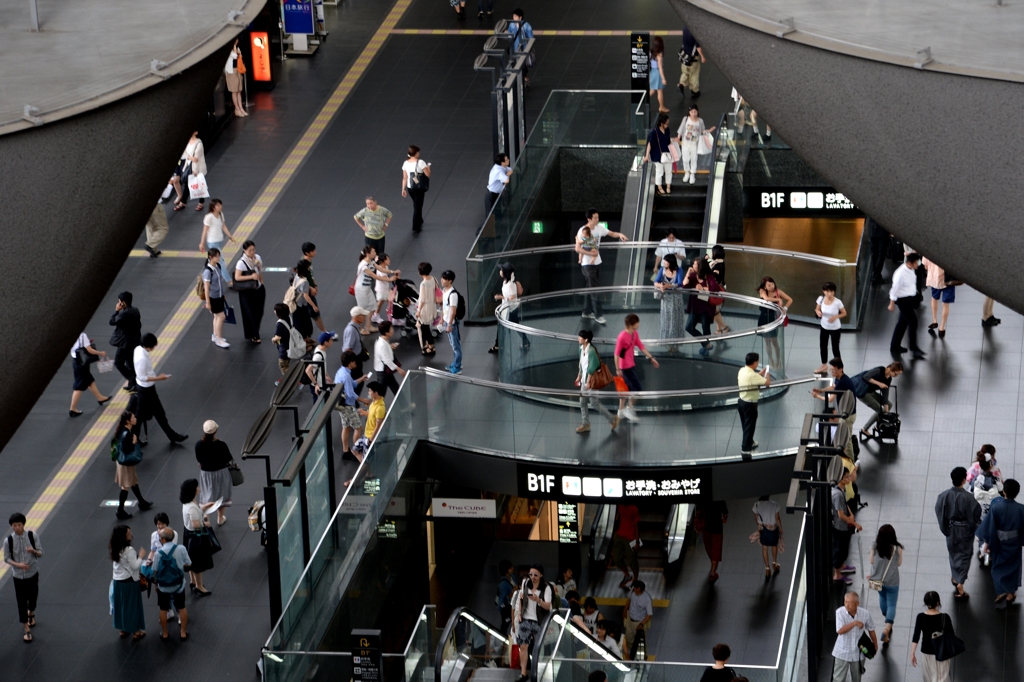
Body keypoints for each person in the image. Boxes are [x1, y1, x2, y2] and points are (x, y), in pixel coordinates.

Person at [934, 466, 981, 599]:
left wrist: (945, 528)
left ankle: (955, 576)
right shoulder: (969, 498)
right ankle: (960, 582)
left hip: (951, 528)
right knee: (965, 554)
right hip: (965, 530)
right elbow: (976, 515)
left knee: (953, 553)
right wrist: (973, 527)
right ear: (964, 480)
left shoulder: (943, 496)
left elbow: (939, 511)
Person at [575, 209, 629, 324]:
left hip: (597, 262)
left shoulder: (599, 228)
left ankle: (586, 311)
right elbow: (578, 248)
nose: (597, 219)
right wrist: (591, 254)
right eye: (595, 218)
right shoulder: (582, 231)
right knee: (595, 289)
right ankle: (598, 314)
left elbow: (611, 233)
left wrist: (620, 235)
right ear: (589, 219)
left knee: (590, 288)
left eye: (598, 217)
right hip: (587, 264)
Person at [133, 333, 188, 445]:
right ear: (148, 346)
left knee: (140, 416)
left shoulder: (138, 349)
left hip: (144, 388)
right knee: (158, 414)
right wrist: (160, 378)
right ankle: (172, 436)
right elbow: (142, 377)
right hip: (146, 390)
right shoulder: (142, 358)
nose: (154, 348)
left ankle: (134, 439)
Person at [977, 478, 1024, 607]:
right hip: (1014, 543)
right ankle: (1010, 594)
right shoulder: (1021, 509)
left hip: (999, 543)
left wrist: (986, 544)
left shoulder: (996, 508)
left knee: (998, 567)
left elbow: (990, 527)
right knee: (1014, 568)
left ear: (1004, 491)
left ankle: (1002, 590)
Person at [614, 314, 660, 421]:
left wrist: (651, 358)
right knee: (637, 389)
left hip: (631, 365)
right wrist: (618, 369)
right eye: (637, 322)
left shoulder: (634, 334)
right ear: (631, 324)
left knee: (627, 389)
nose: (639, 324)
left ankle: (621, 411)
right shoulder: (622, 337)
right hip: (625, 367)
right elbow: (616, 354)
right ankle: (629, 408)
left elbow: (641, 346)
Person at [4, 512, 42, 643]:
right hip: (18, 576)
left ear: (23, 524)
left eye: (19, 525)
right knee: (21, 601)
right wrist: (18, 565)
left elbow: (40, 553)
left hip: (32, 573)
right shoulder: (8, 541)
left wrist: (34, 551)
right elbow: (6, 558)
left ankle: (31, 612)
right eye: (14, 525)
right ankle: (26, 628)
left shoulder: (32, 536)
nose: (17, 528)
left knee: (33, 598)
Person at [514, 564, 554, 682]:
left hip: (539, 621)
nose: (533, 577)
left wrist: (538, 600)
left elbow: (549, 606)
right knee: (523, 646)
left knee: (539, 648)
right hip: (526, 619)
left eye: (535, 575)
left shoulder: (546, 588)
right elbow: (521, 598)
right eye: (531, 574)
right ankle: (523, 673)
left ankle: (538, 672)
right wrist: (519, 613)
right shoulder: (526, 583)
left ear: (541, 575)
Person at [575, 330, 620, 434]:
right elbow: (581, 364)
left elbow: (592, 367)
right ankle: (585, 424)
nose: (578, 338)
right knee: (582, 402)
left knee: (594, 403)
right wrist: (579, 376)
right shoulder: (581, 349)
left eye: (580, 337)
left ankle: (612, 418)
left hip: (592, 381)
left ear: (586, 339)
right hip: (584, 380)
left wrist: (588, 381)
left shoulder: (591, 351)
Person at [109, 525, 147, 640]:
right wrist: (141, 557)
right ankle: (136, 631)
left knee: (121, 606)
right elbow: (135, 566)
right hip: (129, 583)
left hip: (118, 582)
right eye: (128, 533)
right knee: (132, 607)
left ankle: (123, 629)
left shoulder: (114, 548)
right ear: (123, 536)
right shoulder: (129, 550)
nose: (131, 534)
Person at [113, 411, 153, 519]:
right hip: (126, 463)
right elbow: (127, 449)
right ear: (128, 421)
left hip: (122, 461)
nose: (135, 418)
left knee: (133, 481)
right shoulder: (127, 434)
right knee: (126, 486)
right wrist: (134, 443)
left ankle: (141, 501)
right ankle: (120, 510)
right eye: (133, 417)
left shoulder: (122, 431)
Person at [153, 527, 191, 640]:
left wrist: (156, 585)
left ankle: (165, 633)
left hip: (163, 587)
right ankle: (183, 632)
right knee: (182, 607)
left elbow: (155, 570)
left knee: (163, 609)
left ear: (163, 539)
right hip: (178, 585)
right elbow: (189, 563)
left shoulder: (158, 553)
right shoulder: (181, 548)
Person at [868, 524, 903, 644]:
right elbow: (899, 563)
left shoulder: (875, 546)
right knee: (892, 604)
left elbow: (871, 561)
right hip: (892, 581)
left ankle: (886, 616)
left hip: (878, 581)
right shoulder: (897, 548)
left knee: (882, 598)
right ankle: (887, 627)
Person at [180, 479, 215, 596]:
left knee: (190, 559)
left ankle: (193, 581)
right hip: (195, 537)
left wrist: (204, 507)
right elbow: (196, 525)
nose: (199, 488)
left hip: (188, 534)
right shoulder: (192, 507)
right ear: (193, 490)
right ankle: (199, 586)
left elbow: (196, 511)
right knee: (197, 562)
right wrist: (206, 522)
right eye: (197, 487)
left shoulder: (188, 503)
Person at [195, 420, 233, 526]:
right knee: (222, 495)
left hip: (206, 473)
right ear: (215, 431)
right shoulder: (221, 444)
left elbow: (198, 458)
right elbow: (228, 458)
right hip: (221, 473)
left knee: (207, 494)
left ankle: (206, 519)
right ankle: (220, 518)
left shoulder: (199, 444)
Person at [832, 592, 876, 682]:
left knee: (857, 679)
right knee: (838, 679)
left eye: (850, 603)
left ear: (857, 604)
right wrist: (854, 623)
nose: (847, 605)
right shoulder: (840, 612)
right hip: (842, 651)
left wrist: (875, 644)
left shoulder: (865, 614)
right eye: (845, 602)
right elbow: (840, 631)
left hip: (858, 652)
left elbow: (871, 629)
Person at [888, 252, 925, 359]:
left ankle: (894, 346)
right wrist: (891, 304)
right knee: (913, 322)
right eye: (916, 263)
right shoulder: (900, 274)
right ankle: (914, 349)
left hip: (909, 299)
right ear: (910, 263)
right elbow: (894, 290)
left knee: (902, 323)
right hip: (903, 301)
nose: (918, 264)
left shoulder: (911, 269)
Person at [682, 257, 721, 356]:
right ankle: (706, 344)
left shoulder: (708, 276)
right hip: (695, 306)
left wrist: (702, 288)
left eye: (695, 264)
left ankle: (706, 348)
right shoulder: (693, 275)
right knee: (689, 327)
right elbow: (684, 286)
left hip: (706, 307)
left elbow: (715, 289)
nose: (693, 266)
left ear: (700, 266)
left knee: (705, 327)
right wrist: (687, 274)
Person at [910, 592, 954, 681]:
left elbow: (916, 636)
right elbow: (951, 636)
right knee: (942, 679)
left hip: (927, 653)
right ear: (938, 602)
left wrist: (912, 653)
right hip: (942, 653)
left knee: (929, 678)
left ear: (926, 603)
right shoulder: (945, 617)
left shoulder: (920, 617)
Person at [853, 362, 902, 440]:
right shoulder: (879, 370)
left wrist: (887, 413)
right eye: (896, 374)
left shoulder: (888, 379)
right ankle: (864, 429)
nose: (896, 376)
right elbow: (866, 377)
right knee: (881, 411)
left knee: (889, 405)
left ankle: (878, 426)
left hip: (871, 392)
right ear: (891, 369)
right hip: (863, 392)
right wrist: (879, 384)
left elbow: (885, 397)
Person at [355, 246, 397, 334]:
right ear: (368, 254)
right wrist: (390, 279)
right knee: (362, 309)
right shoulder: (364, 265)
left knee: (372, 306)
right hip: (361, 289)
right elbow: (375, 276)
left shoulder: (372, 261)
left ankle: (368, 326)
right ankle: (360, 329)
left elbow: (380, 268)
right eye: (373, 252)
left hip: (367, 288)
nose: (375, 253)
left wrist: (392, 272)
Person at [336, 351, 370, 459]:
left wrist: (362, 378)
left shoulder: (341, 371)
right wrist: (363, 400)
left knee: (346, 427)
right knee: (358, 427)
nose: (356, 363)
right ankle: (356, 451)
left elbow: (352, 384)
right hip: (348, 405)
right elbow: (350, 393)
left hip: (341, 404)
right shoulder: (346, 375)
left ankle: (346, 451)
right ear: (350, 363)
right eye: (354, 361)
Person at [69, 332, 111, 417]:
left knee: (89, 380)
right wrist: (100, 353)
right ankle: (72, 409)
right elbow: (89, 350)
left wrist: (87, 342)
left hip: (76, 361)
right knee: (79, 386)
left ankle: (100, 398)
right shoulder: (82, 335)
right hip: (81, 363)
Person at [490, 262, 529, 353]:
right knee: (510, 326)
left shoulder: (510, 285)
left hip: (511, 309)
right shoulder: (507, 282)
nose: (500, 271)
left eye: (501, 270)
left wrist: (500, 297)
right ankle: (498, 345)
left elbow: (512, 298)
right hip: (509, 308)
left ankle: (500, 346)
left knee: (511, 326)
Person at [148, 513, 180, 624]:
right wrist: (149, 560)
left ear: (167, 523)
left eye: (162, 524)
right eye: (158, 524)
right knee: (161, 591)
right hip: (159, 568)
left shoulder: (173, 534)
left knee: (174, 591)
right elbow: (153, 551)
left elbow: (169, 550)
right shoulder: (154, 535)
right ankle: (169, 611)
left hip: (170, 567)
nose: (160, 526)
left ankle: (179, 613)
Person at [737, 352, 770, 456]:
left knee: (746, 425)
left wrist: (760, 373)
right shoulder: (752, 375)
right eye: (758, 361)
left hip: (741, 402)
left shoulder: (742, 370)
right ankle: (745, 449)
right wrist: (767, 374)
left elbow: (752, 378)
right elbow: (767, 383)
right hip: (750, 404)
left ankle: (750, 441)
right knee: (750, 426)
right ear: (755, 362)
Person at [831, 470, 861, 584]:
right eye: (847, 477)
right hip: (840, 527)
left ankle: (842, 566)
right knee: (840, 550)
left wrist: (851, 514)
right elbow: (840, 515)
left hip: (842, 526)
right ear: (841, 479)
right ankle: (837, 574)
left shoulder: (840, 490)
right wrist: (855, 524)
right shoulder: (837, 495)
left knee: (843, 549)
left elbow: (844, 505)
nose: (849, 478)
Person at [234, 240, 266, 344]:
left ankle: (254, 331)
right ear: (244, 250)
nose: (252, 252)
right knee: (250, 313)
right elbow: (237, 277)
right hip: (247, 292)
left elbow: (259, 271)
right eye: (250, 250)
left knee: (259, 312)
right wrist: (251, 277)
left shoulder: (257, 258)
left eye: (253, 250)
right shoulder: (241, 263)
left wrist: (262, 282)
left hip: (258, 288)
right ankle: (255, 335)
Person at [109, 291, 142, 392]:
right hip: (134, 340)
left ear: (123, 302)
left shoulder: (123, 314)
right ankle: (133, 385)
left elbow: (111, 321)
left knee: (118, 362)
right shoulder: (135, 310)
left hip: (125, 343)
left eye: (119, 301)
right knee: (130, 363)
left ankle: (132, 379)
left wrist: (116, 310)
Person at [756, 276, 792, 368]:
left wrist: (785, 308)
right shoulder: (762, 291)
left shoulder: (778, 292)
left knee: (774, 341)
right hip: (763, 318)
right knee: (767, 341)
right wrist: (778, 299)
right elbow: (766, 298)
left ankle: (778, 360)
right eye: (769, 285)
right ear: (764, 286)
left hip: (773, 318)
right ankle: (771, 360)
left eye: (772, 284)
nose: (772, 286)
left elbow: (790, 299)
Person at [199, 199, 235, 282]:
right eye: (218, 205)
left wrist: (230, 236)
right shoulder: (209, 217)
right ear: (213, 207)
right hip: (212, 242)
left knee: (214, 259)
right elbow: (205, 231)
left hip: (220, 241)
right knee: (221, 262)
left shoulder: (221, 214)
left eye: (220, 205)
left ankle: (206, 273)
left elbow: (223, 226)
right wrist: (202, 243)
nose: (220, 206)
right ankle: (229, 281)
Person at [677, 105, 715, 185]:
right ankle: (686, 172)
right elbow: (681, 129)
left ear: (697, 112)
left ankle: (692, 174)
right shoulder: (686, 119)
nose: (693, 114)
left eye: (695, 112)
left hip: (695, 144)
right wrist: (678, 138)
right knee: (685, 159)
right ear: (689, 112)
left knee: (694, 159)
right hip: (685, 143)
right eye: (692, 112)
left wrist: (709, 130)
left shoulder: (700, 121)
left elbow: (702, 131)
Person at [814, 282, 846, 373]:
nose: (829, 294)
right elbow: (817, 309)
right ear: (824, 291)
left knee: (835, 348)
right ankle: (824, 365)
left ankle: (839, 367)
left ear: (834, 292)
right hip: (824, 326)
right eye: (827, 291)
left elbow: (844, 313)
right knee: (823, 346)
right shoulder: (821, 299)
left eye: (831, 291)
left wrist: (835, 317)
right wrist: (818, 312)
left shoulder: (837, 302)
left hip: (835, 328)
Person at [202, 248, 231, 348]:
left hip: (219, 296)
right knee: (221, 317)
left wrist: (223, 294)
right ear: (210, 257)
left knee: (216, 316)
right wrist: (208, 303)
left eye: (219, 256)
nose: (218, 258)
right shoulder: (207, 271)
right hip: (213, 297)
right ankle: (219, 339)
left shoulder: (218, 266)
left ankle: (215, 335)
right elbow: (206, 288)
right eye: (216, 256)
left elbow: (219, 282)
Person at [171, 131, 206, 211]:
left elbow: (195, 159)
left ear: (196, 133)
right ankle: (184, 202)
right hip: (189, 166)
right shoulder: (188, 142)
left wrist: (187, 155)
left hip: (197, 167)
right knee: (189, 184)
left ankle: (198, 202)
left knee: (198, 184)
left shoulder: (198, 143)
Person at [654, 254, 685, 342]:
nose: (664, 263)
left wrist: (669, 285)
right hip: (666, 299)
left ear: (671, 262)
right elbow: (655, 281)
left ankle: (675, 342)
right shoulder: (662, 269)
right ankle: (667, 341)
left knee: (675, 320)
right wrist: (661, 286)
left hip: (676, 299)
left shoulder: (679, 270)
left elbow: (680, 283)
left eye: (666, 261)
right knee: (666, 319)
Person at [922, 257, 955, 339]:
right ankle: (942, 327)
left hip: (935, 278)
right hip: (948, 279)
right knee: (945, 304)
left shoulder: (929, 251)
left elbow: (925, 266)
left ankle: (934, 320)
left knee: (934, 298)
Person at [401, 146, 431, 234]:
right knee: (417, 207)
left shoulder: (405, 163)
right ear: (416, 153)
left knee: (416, 204)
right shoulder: (420, 162)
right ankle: (415, 226)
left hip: (410, 188)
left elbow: (405, 178)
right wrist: (428, 166)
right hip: (419, 188)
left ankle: (420, 219)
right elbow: (428, 174)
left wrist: (403, 189)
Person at [300, 242, 328, 334]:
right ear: (307, 253)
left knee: (313, 313)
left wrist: (315, 285)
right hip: (308, 292)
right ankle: (325, 332)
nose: (315, 252)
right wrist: (310, 288)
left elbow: (311, 276)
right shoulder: (304, 264)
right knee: (315, 313)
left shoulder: (309, 261)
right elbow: (303, 279)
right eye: (312, 251)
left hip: (310, 288)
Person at [342, 306, 372, 393]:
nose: (364, 317)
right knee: (357, 382)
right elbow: (348, 349)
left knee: (359, 381)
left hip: (356, 360)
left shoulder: (355, 327)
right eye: (363, 315)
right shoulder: (351, 330)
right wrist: (353, 363)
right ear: (357, 317)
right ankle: (354, 399)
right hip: (354, 361)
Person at [697, 500, 728, 582]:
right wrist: (723, 519)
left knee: (708, 547)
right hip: (717, 528)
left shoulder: (704, 498)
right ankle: (713, 573)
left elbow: (699, 510)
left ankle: (713, 563)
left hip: (706, 528)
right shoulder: (720, 500)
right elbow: (725, 514)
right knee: (716, 549)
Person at [753, 495, 783, 577]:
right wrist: (780, 527)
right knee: (774, 545)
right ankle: (774, 562)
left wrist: (759, 526)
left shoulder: (756, 505)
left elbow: (756, 518)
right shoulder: (775, 504)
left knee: (764, 547)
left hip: (763, 529)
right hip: (773, 528)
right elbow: (777, 518)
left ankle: (767, 568)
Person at [373, 321, 406, 396]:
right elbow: (387, 360)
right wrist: (399, 369)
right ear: (386, 332)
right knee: (381, 394)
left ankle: (403, 402)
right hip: (383, 372)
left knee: (396, 389)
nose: (393, 330)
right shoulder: (382, 345)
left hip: (385, 371)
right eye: (391, 329)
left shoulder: (382, 340)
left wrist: (389, 347)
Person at [643, 113, 673, 195]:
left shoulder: (667, 130)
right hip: (657, 155)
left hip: (667, 154)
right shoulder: (654, 132)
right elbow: (649, 144)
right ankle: (659, 187)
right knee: (659, 171)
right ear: (662, 123)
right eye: (666, 123)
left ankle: (668, 186)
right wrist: (646, 156)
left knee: (669, 170)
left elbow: (668, 141)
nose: (667, 125)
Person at [612, 505, 641, 589]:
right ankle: (627, 575)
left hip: (631, 538)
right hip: (619, 535)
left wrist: (637, 542)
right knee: (616, 559)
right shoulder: (620, 505)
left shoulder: (633, 509)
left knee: (632, 561)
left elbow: (637, 526)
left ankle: (635, 579)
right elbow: (618, 518)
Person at [622, 580, 653, 655]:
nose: (635, 593)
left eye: (637, 592)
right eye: (635, 590)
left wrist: (641, 624)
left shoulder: (647, 599)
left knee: (641, 642)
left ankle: (642, 656)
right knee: (628, 638)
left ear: (643, 590)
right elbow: (629, 600)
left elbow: (649, 614)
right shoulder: (633, 590)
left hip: (639, 622)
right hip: (629, 619)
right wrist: (625, 610)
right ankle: (634, 652)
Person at [441, 270, 463, 375]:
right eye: (442, 278)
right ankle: (455, 363)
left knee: (456, 346)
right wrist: (442, 318)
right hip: (447, 321)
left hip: (452, 323)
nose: (442, 280)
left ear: (450, 281)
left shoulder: (453, 294)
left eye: (445, 279)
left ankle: (457, 367)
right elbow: (444, 306)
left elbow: (453, 311)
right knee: (453, 345)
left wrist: (449, 324)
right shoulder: (444, 291)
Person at [415, 262, 439, 355]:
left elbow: (422, 299)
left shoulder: (423, 284)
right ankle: (429, 344)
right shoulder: (433, 278)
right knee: (426, 327)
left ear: (420, 272)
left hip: (425, 309)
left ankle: (431, 346)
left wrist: (418, 310)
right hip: (432, 305)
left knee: (424, 328)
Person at [291, 259, 315, 341]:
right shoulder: (305, 281)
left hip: (296, 303)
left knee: (299, 323)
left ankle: (305, 338)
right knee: (304, 323)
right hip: (301, 305)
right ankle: (304, 340)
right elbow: (306, 295)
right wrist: (314, 306)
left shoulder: (296, 276)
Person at [706, 245, 729, 333]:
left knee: (715, 310)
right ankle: (719, 330)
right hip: (718, 289)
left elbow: (714, 276)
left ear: (715, 253)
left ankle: (724, 327)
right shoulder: (718, 263)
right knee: (716, 310)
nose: (712, 254)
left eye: (713, 252)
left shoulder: (718, 265)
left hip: (717, 290)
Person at [307, 331, 336, 399]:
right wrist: (316, 384)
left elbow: (320, 366)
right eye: (330, 340)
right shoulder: (318, 356)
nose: (332, 341)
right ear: (326, 342)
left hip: (322, 383)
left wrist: (326, 375)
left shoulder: (320, 348)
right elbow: (308, 370)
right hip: (319, 387)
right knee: (320, 404)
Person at [678, 27, 705, 98]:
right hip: (693, 58)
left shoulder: (685, 28)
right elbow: (698, 47)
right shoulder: (695, 31)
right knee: (694, 74)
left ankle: (681, 85)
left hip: (684, 56)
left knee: (685, 72)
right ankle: (694, 91)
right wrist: (702, 56)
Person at [510, 9, 534, 85]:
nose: (514, 18)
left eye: (515, 16)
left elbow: (531, 38)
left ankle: (525, 78)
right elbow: (510, 35)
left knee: (522, 65)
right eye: (513, 16)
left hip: (524, 49)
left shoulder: (527, 26)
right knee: (516, 64)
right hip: (514, 48)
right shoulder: (511, 25)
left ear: (520, 17)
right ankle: (524, 78)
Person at [225, 39, 247, 118]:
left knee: (239, 90)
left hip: (237, 70)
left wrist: (236, 49)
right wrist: (234, 46)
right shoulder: (228, 49)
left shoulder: (237, 48)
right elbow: (234, 55)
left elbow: (240, 55)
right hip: (231, 71)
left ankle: (241, 108)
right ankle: (237, 109)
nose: (237, 41)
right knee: (234, 91)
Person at [649, 36, 669, 113]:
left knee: (653, 89)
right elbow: (660, 67)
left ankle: (642, 100)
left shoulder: (650, 52)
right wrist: (663, 78)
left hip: (652, 72)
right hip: (657, 73)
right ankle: (661, 107)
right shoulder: (659, 55)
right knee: (660, 91)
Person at [496, 559, 517, 632]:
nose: (512, 568)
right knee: (505, 624)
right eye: (510, 567)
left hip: (513, 604)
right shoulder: (503, 584)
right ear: (506, 570)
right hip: (507, 608)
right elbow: (503, 599)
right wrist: (513, 593)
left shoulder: (512, 577)